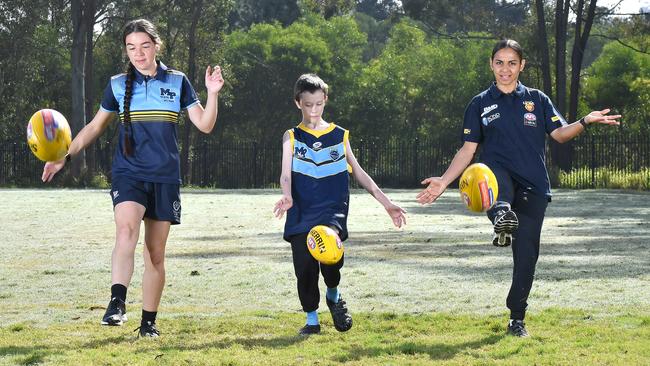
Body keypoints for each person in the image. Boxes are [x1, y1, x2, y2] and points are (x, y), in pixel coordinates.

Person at [416, 39, 620, 337]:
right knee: (493, 188)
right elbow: (467, 149)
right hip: (497, 175)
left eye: (512, 62)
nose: (505, 69)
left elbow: (560, 134)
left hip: (534, 184)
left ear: (522, 66)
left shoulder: (537, 99)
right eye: (500, 62)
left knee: (527, 255)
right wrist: (444, 181)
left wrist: (585, 121)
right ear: (491, 64)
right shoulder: (479, 103)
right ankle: (501, 217)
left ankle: (516, 317)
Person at [41, 19, 224, 337]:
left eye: (144, 46)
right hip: (129, 173)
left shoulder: (178, 82)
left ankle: (148, 324)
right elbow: (95, 127)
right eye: (131, 47)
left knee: (155, 254)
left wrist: (212, 93)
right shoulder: (115, 84)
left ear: (156, 45)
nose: (138, 54)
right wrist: (64, 156)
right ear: (126, 50)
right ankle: (116, 301)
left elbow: (205, 125)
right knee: (126, 230)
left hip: (165, 177)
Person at [274, 74, 407, 336]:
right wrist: (287, 194)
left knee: (331, 261)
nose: (313, 110)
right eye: (308, 104)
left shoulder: (339, 135)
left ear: (325, 101)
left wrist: (387, 203)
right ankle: (312, 320)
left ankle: (334, 295)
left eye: (319, 104)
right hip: (300, 210)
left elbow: (359, 174)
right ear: (297, 103)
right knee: (305, 269)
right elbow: (285, 172)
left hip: (331, 210)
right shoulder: (292, 136)